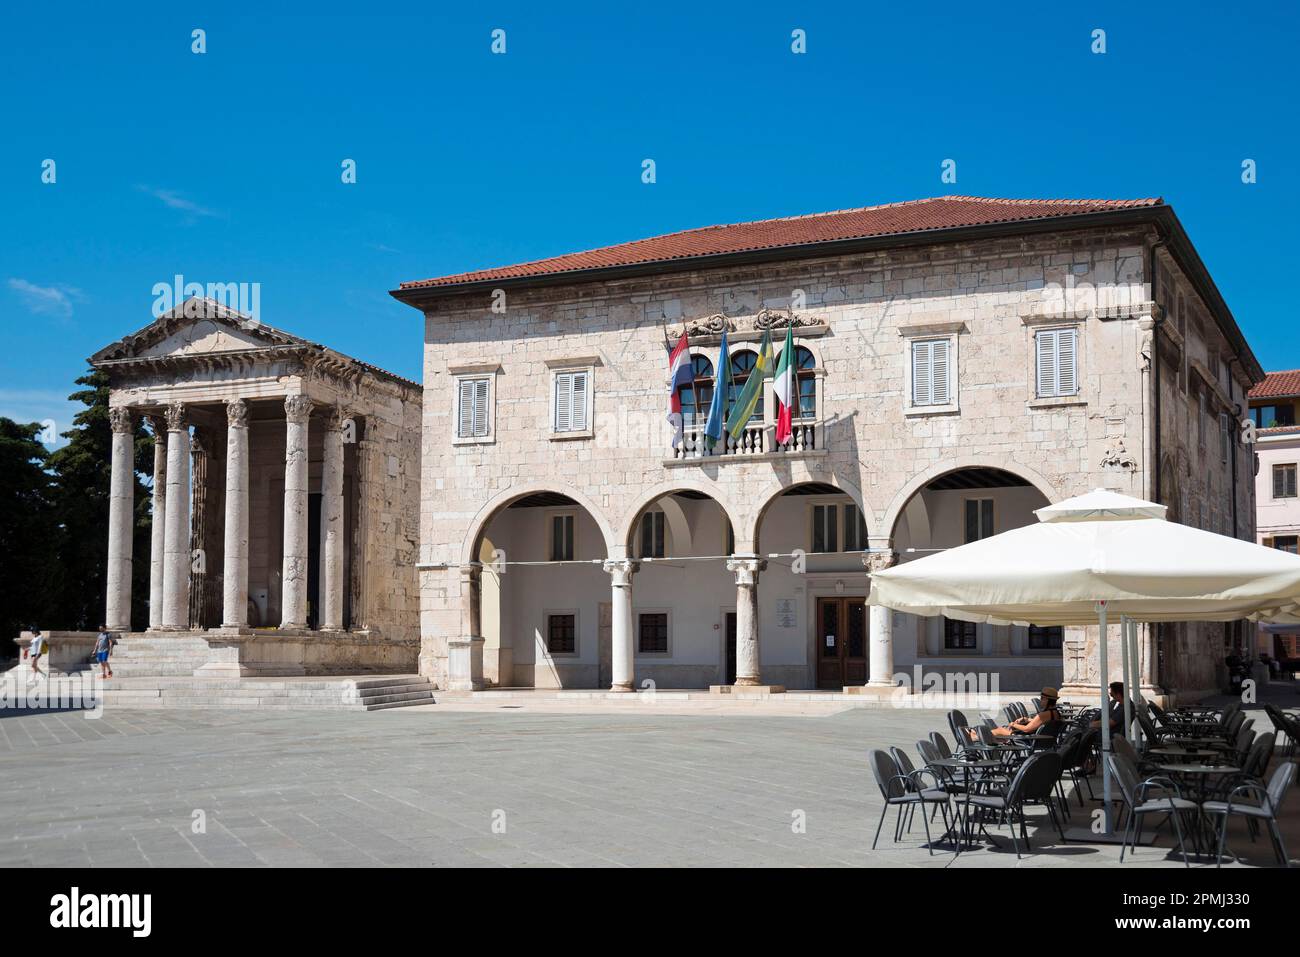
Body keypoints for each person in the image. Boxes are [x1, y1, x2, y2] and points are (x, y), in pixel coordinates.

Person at [974, 687, 1062, 738]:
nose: (1041, 700)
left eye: (1042, 698)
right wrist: (1027, 719)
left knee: (1000, 730)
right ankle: (978, 735)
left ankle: (976, 737)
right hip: (1043, 740)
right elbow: (1041, 723)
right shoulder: (1056, 714)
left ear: (1047, 700)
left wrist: (1013, 724)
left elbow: (1027, 729)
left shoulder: (1043, 715)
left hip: (1029, 739)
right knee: (999, 734)